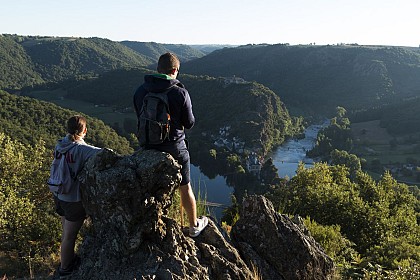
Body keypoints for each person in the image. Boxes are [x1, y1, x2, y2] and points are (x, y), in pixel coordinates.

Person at [133, 52, 208, 237]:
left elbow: (139, 117)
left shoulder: (141, 91)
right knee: (185, 186)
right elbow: (189, 123)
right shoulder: (179, 92)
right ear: (175, 70)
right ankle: (193, 225)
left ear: (158, 69)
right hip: (174, 148)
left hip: (147, 147)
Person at [50, 115, 101, 278]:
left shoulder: (60, 144)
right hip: (72, 199)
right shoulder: (82, 150)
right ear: (85, 130)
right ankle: (65, 269)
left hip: (58, 194)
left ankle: (66, 261)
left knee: (66, 234)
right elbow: (107, 154)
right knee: (69, 237)